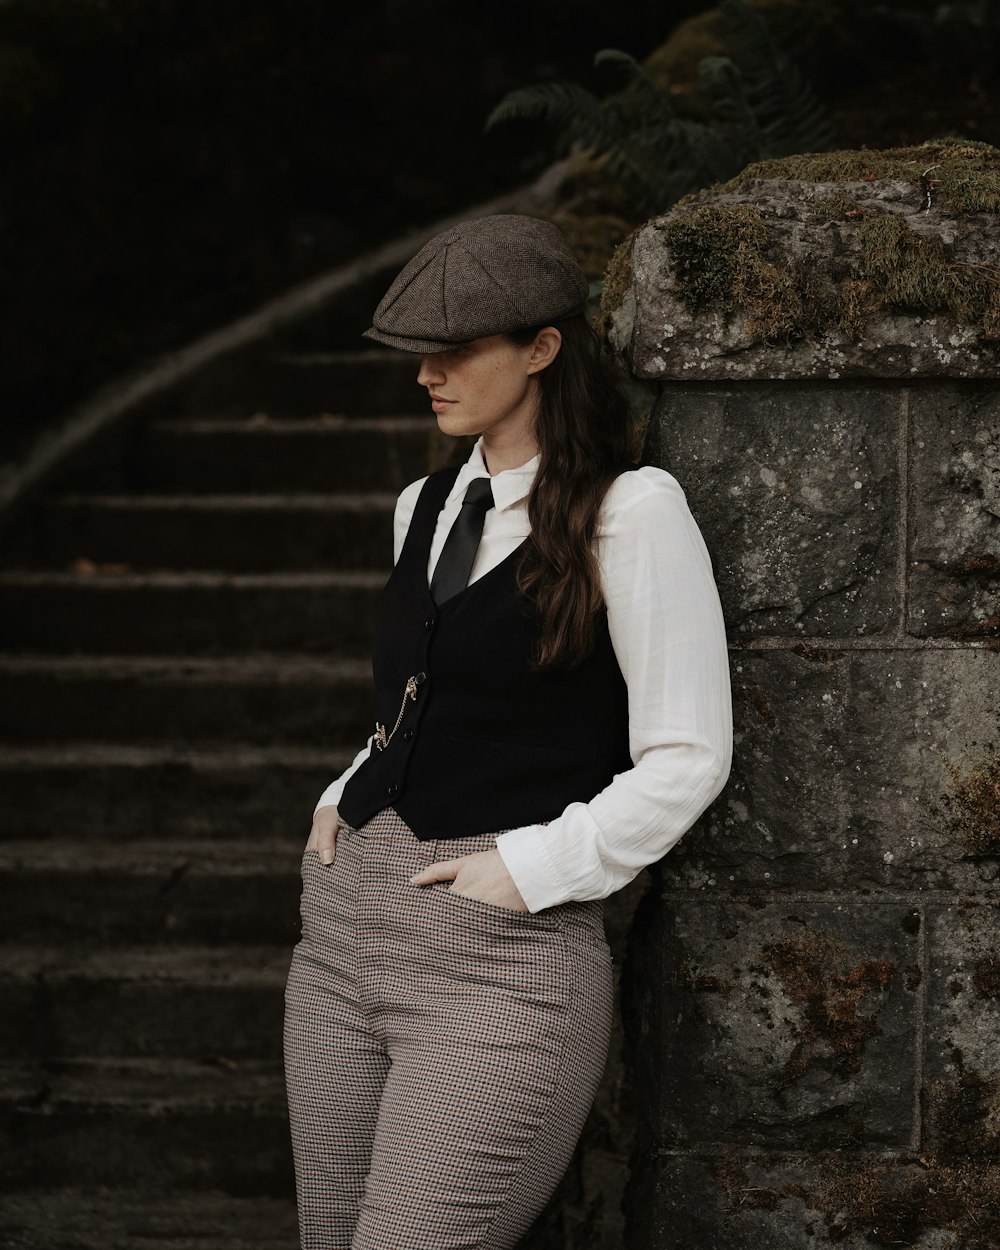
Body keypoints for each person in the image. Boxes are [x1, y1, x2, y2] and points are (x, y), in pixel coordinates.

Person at [282, 212, 733, 1250]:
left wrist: (532, 866)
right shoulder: (424, 503)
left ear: (542, 348)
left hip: (498, 963)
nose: (428, 376)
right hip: (342, 943)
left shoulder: (632, 510)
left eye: (458, 350)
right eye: (418, 355)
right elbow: (426, 692)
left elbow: (688, 752)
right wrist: (344, 787)